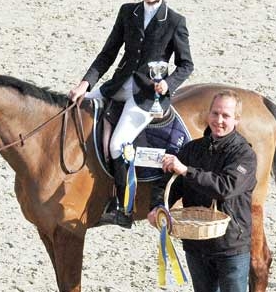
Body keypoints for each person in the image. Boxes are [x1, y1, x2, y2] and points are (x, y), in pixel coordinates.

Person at [68, 0, 194, 228]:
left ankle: (121, 208)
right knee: (74, 108)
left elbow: (186, 65)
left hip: (147, 96)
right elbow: (107, 53)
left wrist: (168, 83)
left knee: (118, 144)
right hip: (118, 85)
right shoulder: (128, 11)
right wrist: (85, 85)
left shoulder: (175, 21)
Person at [147, 91, 257, 292]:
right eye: (215, 113)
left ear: (236, 120)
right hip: (196, 244)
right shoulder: (191, 149)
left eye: (226, 116)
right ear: (208, 115)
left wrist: (186, 170)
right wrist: (156, 207)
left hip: (232, 246)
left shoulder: (244, 155)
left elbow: (225, 187)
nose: (219, 120)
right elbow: (168, 185)